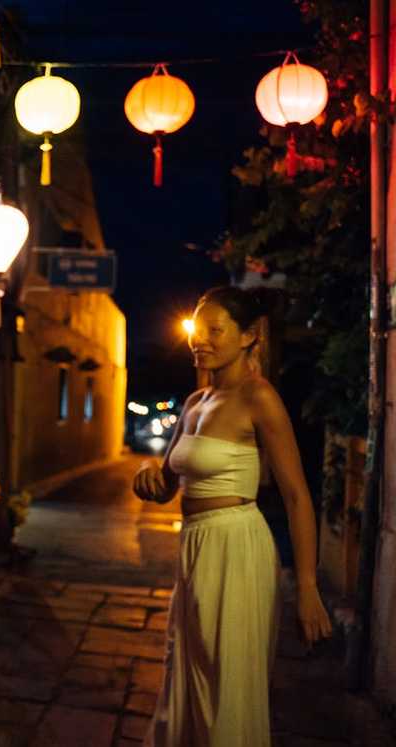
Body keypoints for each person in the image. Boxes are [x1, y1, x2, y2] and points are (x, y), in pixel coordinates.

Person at [132, 285, 331, 747]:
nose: (200, 340)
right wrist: (145, 476)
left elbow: (298, 496)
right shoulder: (193, 403)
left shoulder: (259, 398)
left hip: (238, 547)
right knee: (186, 669)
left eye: (215, 331)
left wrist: (306, 586)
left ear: (249, 336)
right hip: (195, 547)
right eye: (196, 331)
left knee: (228, 686)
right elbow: (165, 487)